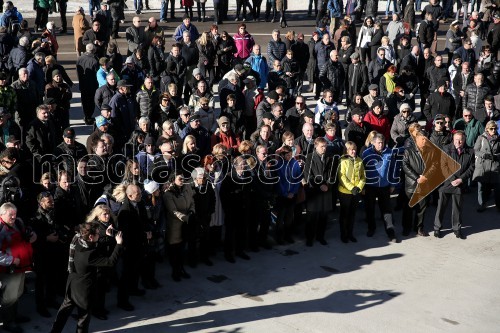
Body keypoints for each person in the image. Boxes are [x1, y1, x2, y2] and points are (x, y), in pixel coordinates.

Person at [49, 222, 123, 333]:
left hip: (72, 283)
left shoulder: (77, 240)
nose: (99, 235)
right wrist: (119, 244)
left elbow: (93, 242)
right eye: (98, 234)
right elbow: (110, 262)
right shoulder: (90, 255)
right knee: (83, 318)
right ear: (91, 237)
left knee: (64, 312)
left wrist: (105, 235)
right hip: (83, 290)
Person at [0, 202, 35, 333]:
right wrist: (12, 260)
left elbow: (27, 232)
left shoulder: (17, 222)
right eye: (11, 215)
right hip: (9, 269)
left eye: (15, 214)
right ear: (2, 215)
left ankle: (14, 316)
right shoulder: (0, 229)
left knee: (17, 293)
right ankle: (8, 322)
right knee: (9, 296)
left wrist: (33, 236)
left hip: (21, 266)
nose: (14, 217)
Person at [434, 131, 475, 239]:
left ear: (464, 140)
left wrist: (461, 179)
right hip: (446, 183)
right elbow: (443, 166)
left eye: (461, 139)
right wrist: (452, 179)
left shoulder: (470, 151)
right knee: (441, 207)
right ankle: (437, 228)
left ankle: (457, 229)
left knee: (457, 208)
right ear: (453, 139)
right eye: (456, 139)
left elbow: (471, 168)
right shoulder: (446, 148)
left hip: (460, 184)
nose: (458, 142)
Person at [362, 133, 397, 241]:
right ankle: (371, 228)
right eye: (378, 143)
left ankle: (390, 232)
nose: (380, 145)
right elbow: (361, 171)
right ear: (373, 143)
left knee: (387, 209)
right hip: (370, 186)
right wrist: (362, 186)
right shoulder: (366, 153)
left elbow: (393, 169)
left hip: (384, 186)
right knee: (370, 208)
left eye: (382, 143)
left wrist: (393, 184)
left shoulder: (390, 153)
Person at [303, 137, 336, 247]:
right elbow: (308, 175)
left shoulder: (329, 157)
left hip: (326, 190)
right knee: (311, 217)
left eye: (325, 146)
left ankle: (320, 236)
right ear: (316, 146)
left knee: (323, 216)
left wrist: (327, 185)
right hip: (314, 191)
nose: (324, 148)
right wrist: (320, 185)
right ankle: (309, 238)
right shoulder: (309, 158)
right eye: (322, 146)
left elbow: (332, 174)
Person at [337, 141, 365, 243]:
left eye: (354, 149)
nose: (353, 151)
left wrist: (359, 187)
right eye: (351, 149)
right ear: (347, 150)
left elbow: (363, 176)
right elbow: (342, 177)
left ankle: (350, 233)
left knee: (352, 214)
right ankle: (343, 234)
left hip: (356, 192)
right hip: (345, 192)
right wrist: (351, 188)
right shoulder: (342, 161)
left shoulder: (359, 160)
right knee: (344, 214)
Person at [473, 121, 500, 212]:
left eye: (495, 128)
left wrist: (497, 156)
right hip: (483, 166)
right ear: (487, 129)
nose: (493, 130)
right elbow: (475, 150)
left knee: (497, 188)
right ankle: (482, 204)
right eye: (491, 128)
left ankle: (498, 206)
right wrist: (484, 155)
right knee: (481, 187)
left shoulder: (499, 138)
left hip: (495, 166)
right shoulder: (481, 138)